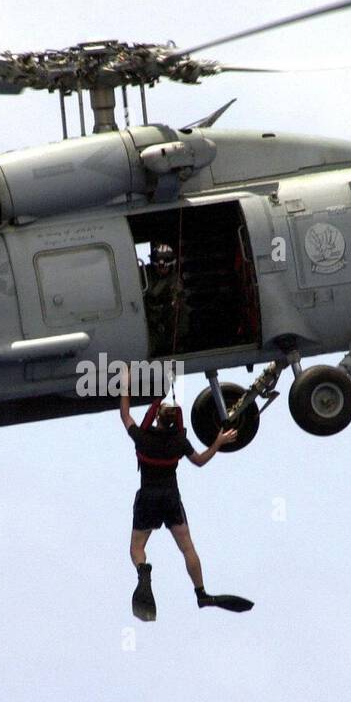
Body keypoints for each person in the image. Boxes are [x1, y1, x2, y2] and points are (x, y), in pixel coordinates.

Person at [119, 370, 253, 621]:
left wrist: (125, 383)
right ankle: (201, 593)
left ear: (156, 418)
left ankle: (143, 570)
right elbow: (200, 461)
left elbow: (125, 415)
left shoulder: (142, 438)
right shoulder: (180, 442)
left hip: (148, 497)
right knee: (187, 547)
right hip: (170, 499)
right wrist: (219, 441)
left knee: (137, 548)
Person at [142, 241, 189, 353]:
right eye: (158, 264)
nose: (161, 268)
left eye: (164, 265)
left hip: (162, 320)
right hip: (145, 318)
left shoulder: (173, 280)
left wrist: (173, 300)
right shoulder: (144, 273)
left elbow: (177, 294)